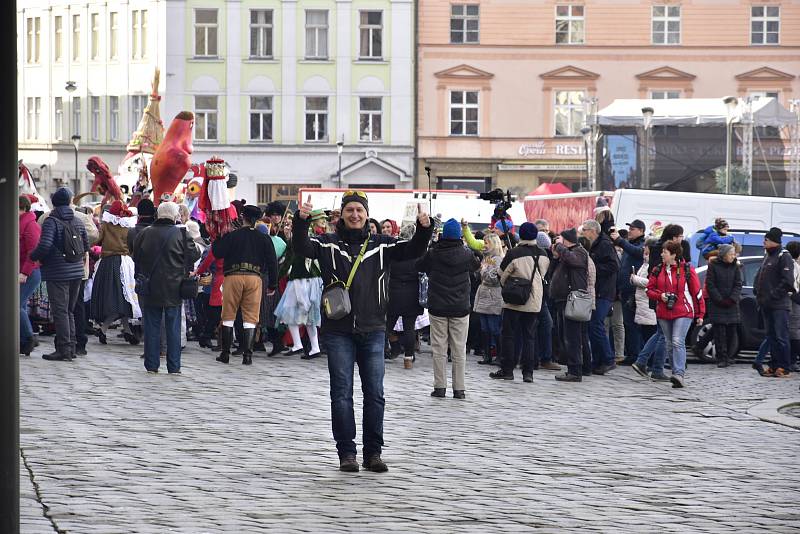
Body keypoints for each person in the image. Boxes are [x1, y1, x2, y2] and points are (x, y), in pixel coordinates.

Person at [293, 191, 432, 473]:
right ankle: (346, 453)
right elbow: (302, 247)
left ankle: (373, 453)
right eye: (349, 210)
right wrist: (300, 221)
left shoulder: (382, 245)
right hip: (338, 330)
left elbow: (414, 251)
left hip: (373, 328)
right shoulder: (328, 243)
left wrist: (424, 229)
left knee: (375, 394)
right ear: (341, 214)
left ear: (367, 214)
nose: (355, 215)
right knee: (341, 393)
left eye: (359, 210)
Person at [133, 202, 200, 374]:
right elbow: (194, 254)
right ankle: (174, 365)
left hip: (150, 286)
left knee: (151, 327)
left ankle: (152, 364)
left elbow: (136, 257)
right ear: (175, 216)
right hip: (174, 286)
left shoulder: (144, 233)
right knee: (173, 328)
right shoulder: (181, 234)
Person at [419, 218, 480, 398]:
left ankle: (440, 387)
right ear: (459, 236)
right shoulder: (467, 254)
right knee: (459, 348)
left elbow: (419, 266)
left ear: (443, 235)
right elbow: (477, 264)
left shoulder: (433, 253)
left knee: (439, 348)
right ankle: (459, 389)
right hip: (460, 307)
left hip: (438, 306)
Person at [211, 205, 278, 365]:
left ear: (243, 217)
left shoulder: (233, 236)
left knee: (228, 316)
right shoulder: (264, 238)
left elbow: (218, 252)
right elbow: (272, 262)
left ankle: (225, 353)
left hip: (233, 276)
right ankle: (247, 355)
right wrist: (273, 284)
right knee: (250, 317)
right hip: (254, 278)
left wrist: (219, 236)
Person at [30, 187, 89, 361]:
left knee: (61, 311)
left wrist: (33, 256)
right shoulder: (78, 220)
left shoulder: (51, 220)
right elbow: (86, 244)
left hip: (58, 272)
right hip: (77, 271)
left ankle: (63, 349)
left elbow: (45, 244)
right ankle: (71, 347)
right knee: (69, 311)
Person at [489, 222, 550, 383]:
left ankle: (507, 369)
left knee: (509, 335)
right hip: (534, 299)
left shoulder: (514, 253)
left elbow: (501, 274)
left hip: (514, 299)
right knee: (529, 336)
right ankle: (528, 372)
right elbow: (543, 273)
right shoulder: (543, 253)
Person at [646, 241, 705, 388]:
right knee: (670, 343)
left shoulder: (686, 269)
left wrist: (700, 314)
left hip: (683, 311)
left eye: (664, 252)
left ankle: (679, 373)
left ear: (673, 254)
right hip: (664, 312)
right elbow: (649, 290)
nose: (661, 254)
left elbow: (697, 293)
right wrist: (661, 297)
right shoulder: (657, 269)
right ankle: (675, 372)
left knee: (678, 340)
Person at [91, 200, 138, 345]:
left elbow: (97, 240)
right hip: (125, 263)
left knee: (117, 298)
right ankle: (108, 329)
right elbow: (133, 246)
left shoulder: (106, 225)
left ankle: (125, 331)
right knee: (122, 299)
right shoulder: (129, 226)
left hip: (108, 262)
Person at [550, 228, 592, 382]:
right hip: (563, 300)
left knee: (573, 337)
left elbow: (573, 260)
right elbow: (552, 272)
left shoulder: (579, 252)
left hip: (573, 300)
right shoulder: (566, 253)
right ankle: (572, 368)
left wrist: (560, 248)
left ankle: (576, 371)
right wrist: (556, 256)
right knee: (566, 336)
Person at [753, 227, 795, 377]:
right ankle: (774, 365)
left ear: (774, 242)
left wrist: (772, 295)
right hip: (766, 304)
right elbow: (760, 275)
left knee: (781, 336)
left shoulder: (784, 256)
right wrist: (756, 290)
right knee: (771, 336)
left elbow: (787, 281)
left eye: (767, 239)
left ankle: (784, 366)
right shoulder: (768, 256)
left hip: (779, 305)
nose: (764, 241)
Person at [581, 219, 620, 375]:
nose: (583, 232)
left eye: (585, 229)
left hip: (604, 291)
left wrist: (592, 269)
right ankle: (597, 361)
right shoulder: (595, 244)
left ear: (593, 230)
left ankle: (608, 359)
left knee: (596, 324)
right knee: (592, 325)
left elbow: (614, 265)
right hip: (596, 291)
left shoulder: (604, 244)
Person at [386, 223, 424, 369]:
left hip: (394, 292)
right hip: (412, 293)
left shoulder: (395, 251)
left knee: (387, 325)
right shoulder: (418, 253)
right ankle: (408, 357)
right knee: (409, 328)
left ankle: (383, 349)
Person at [629, 241, 665, 380]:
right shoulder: (645, 263)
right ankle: (646, 362)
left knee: (653, 334)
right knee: (649, 334)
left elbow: (649, 282)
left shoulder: (653, 264)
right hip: (642, 303)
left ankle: (648, 362)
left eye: (646, 249)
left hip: (647, 303)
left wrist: (635, 279)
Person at [612, 220, 646, 364]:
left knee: (635, 325)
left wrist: (620, 240)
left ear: (641, 231)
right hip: (626, 290)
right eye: (630, 229)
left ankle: (638, 355)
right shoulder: (629, 245)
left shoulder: (643, 244)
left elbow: (638, 253)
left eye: (633, 229)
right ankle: (632, 354)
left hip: (635, 291)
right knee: (628, 324)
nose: (630, 231)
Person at [704, 244, 742, 368]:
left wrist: (732, 298)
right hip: (717, 304)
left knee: (731, 332)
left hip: (732, 304)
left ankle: (729, 356)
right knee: (719, 333)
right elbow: (710, 284)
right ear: (724, 255)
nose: (733, 256)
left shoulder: (736, 266)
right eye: (731, 254)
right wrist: (719, 299)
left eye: (734, 254)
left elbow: (738, 284)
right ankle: (721, 358)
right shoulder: (713, 265)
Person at [473, 233, 504, 365]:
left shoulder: (497, 259)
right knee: (484, 328)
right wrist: (481, 270)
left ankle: (499, 355)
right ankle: (487, 355)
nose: (484, 246)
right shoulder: (487, 258)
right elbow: (480, 274)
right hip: (484, 294)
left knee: (494, 327)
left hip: (493, 296)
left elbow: (494, 278)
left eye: (487, 243)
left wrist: (483, 270)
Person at [19, 194, 42, 356]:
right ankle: (22, 340)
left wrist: (24, 272)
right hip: (22, 270)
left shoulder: (30, 224)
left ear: (23, 208)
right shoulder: (20, 222)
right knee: (20, 306)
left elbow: (32, 252)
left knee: (16, 305)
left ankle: (28, 338)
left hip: (29, 272)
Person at [786, 241, 800, 371]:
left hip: (795, 300)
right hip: (794, 301)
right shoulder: (792, 265)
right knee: (793, 331)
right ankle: (791, 360)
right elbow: (792, 286)